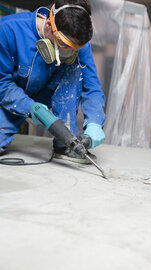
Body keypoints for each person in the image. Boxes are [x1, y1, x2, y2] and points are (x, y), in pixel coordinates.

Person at [0, 0, 106, 163]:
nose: (68, 51)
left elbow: (91, 87)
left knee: (75, 67)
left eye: (74, 48)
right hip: (10, 97)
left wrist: (94, 122)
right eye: (63, 44)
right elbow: (2, 83)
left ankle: (65, 144)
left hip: (46, 92)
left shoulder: (79, 46)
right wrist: (30, 107)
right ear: (49, 24)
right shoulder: (8, 30)